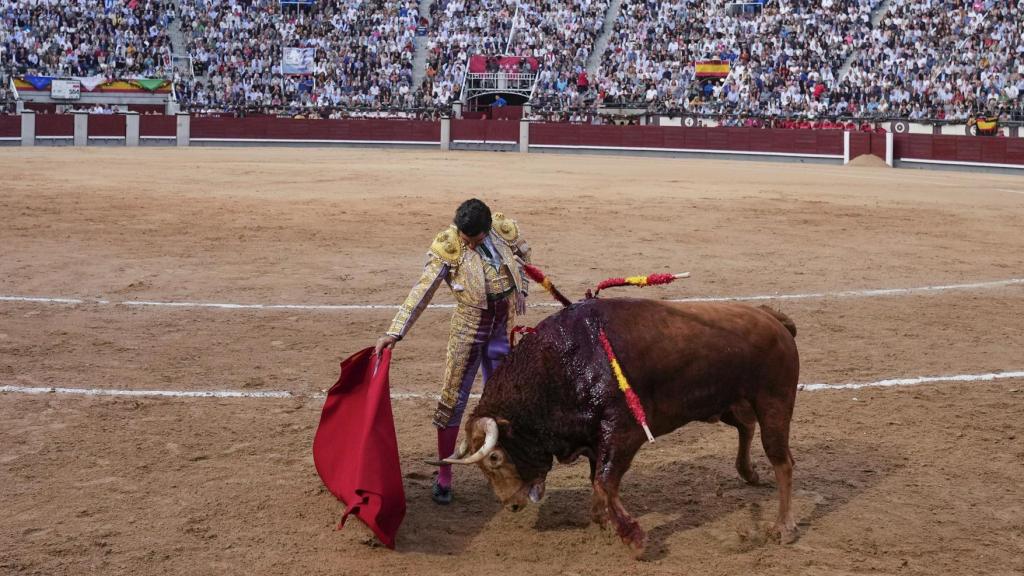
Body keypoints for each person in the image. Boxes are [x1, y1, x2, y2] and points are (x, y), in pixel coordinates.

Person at [374, 199, 531, 504]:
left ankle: (500, 470)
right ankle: (445, 475)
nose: (468, 243)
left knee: (503, 401)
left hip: (501, 327)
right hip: (468, 330)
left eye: (474, 239)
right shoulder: (449, 244)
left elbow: (523, 256)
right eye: (465, 237)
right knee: (452, 399)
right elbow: (422, 290)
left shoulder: (502, 229)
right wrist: (395, 331)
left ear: (486, 231)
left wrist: (521, 289)